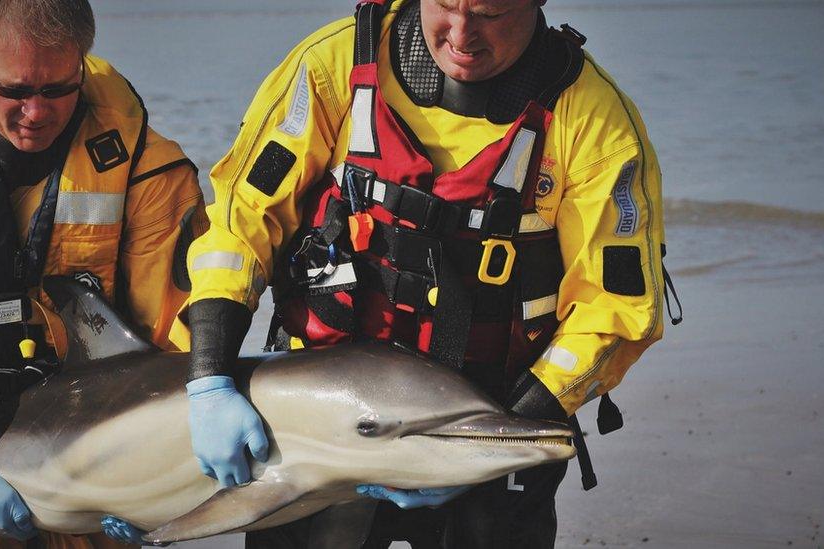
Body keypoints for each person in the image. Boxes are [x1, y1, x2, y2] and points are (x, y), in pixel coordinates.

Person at [185, 0, 670, 546]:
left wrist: (495, 442)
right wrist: (209, 377)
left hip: (493, 414)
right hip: (322, 413)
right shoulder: (333, 64)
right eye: (446, 7)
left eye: (491, 14)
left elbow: (617, 308)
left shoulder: (595, 119)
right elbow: (240, 220)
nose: (463, 36)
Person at [0, 0, 205, 547]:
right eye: (14, 91)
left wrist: (160, 466)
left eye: (58, 89)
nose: (36, 112)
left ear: (82, 63)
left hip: (94, 426)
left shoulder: (154, 168)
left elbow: (169, 331)